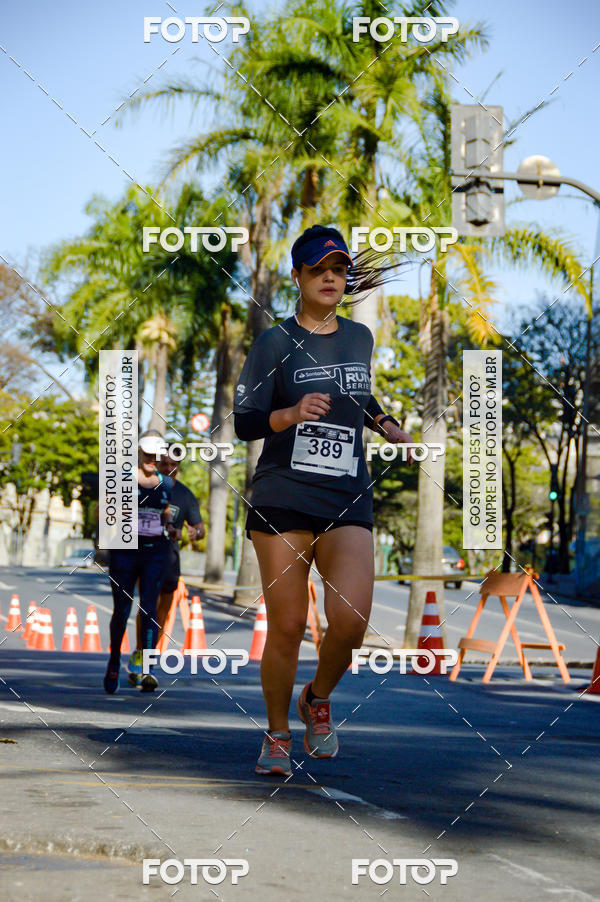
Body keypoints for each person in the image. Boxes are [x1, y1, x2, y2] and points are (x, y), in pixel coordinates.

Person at [233, 224, 413, 776]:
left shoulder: (360, 337)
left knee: (352, 619)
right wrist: (288, 414)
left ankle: (317, 696)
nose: (331, 277)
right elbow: (244, 421)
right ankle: (278, 735)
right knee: (286, 626)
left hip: (345, 493)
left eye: (338, 269)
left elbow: (358, 392)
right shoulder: (275, 342)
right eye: (319, 270)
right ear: (298, 277)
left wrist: (385, 424)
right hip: (283, 494)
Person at [103, 433, 175, 694]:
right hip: (125, 552)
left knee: (149, 610)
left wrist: (170, 527)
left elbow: (166, 512)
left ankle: (147, 669)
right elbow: (106, 509)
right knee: (122, 609)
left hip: (155, 552)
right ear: (138, 453)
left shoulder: (166, 483)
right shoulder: (122, 477)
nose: (152, 461)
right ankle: (113, 661)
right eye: (148, 455)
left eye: (157, 457)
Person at [127, 445, 205, 684]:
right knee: (148, 607)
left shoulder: (185, 494)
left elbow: (200, 527)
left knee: (162, 613)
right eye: (164, 464)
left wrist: (196, 533)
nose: (169, 468)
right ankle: (143, 658)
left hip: (170, 560)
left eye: (174, 465)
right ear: (156, 464)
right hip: (145, 554)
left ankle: (144, 658)